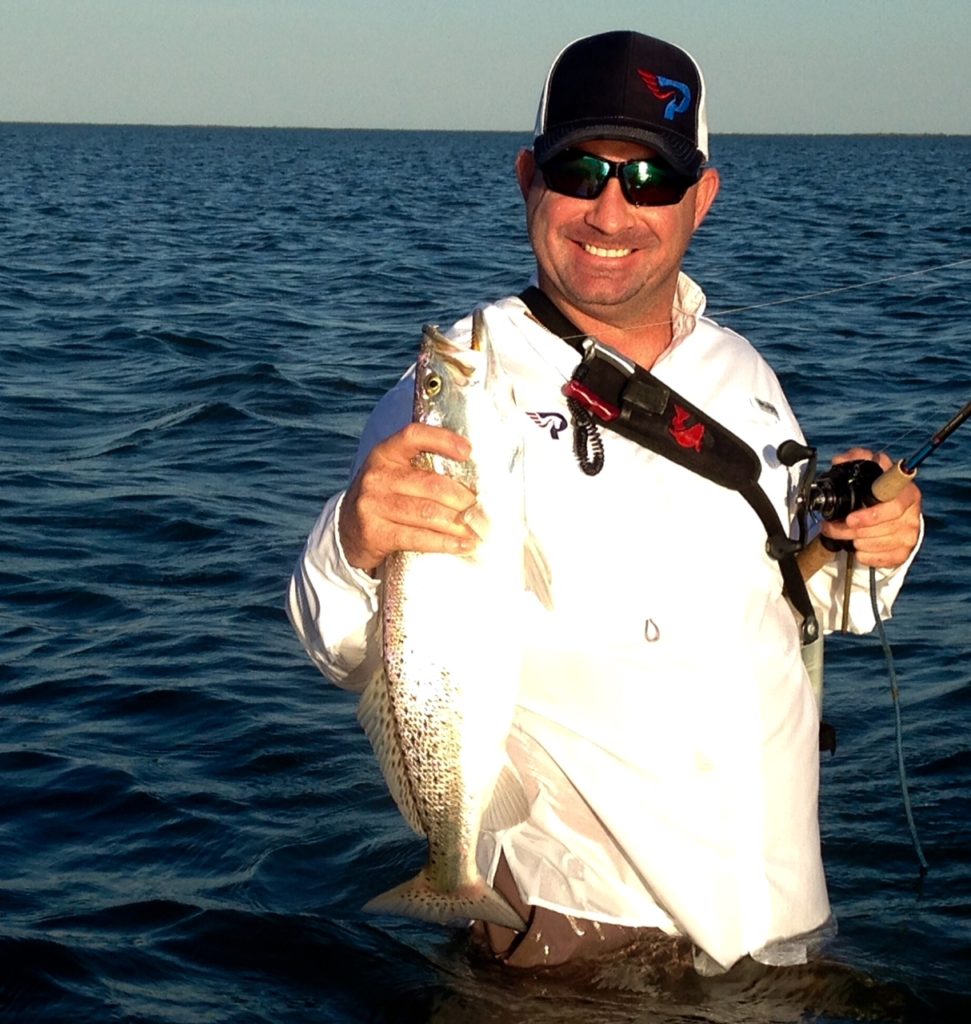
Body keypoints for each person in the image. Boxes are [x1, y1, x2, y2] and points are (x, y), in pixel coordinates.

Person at [288, 31, 922, 975]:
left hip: (780, 936)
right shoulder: (455, 391)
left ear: (701, 198)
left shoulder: (741, 373)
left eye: (649, 179)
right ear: (526, 179)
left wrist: (872, 541)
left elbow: (806, 604)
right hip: (576, 956)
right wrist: (353, 539)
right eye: (578, 170)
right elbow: (339, 642)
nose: (610, 209)